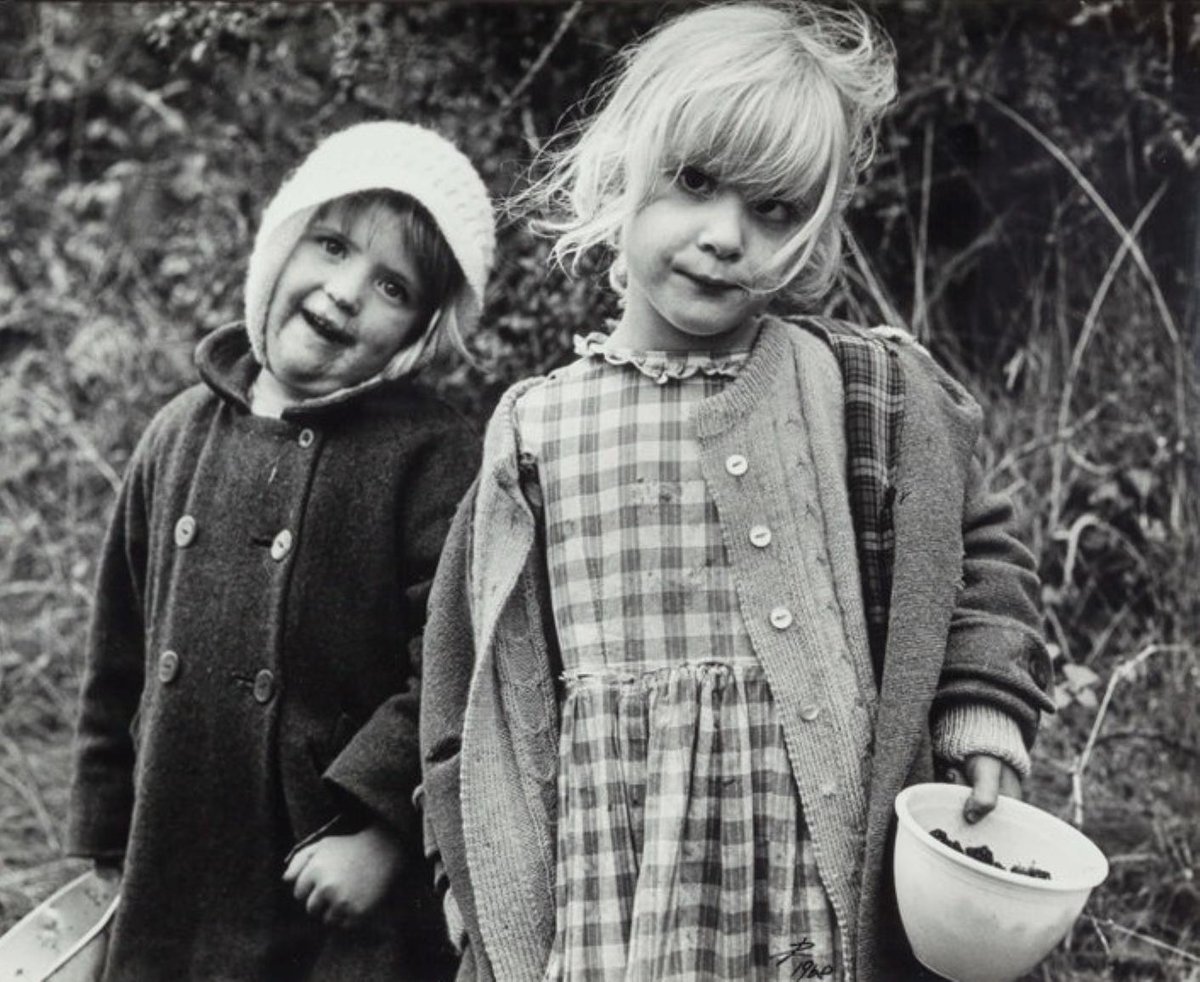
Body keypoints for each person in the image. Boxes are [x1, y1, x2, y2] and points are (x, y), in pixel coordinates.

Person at [419, 3, 1055, 981]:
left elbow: (974, 546)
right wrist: (467, 873)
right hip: (614, 892)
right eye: (697, 183)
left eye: (775, 210)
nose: (725, 236)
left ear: (818, 228)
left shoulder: (856, 391)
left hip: (810, 885)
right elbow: (468, 676)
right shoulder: (531, 431)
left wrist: (982, 717)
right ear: (620, 165)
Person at [67, 120, 495, 980]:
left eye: (391, 286)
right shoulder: (177, 434)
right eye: (331, 245)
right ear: (281, 241)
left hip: (324, 883)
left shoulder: (430, 456)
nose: (343, 292)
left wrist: (384, 831)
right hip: (172, 864)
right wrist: (102, 851)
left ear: (423, 328)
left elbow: (457, 667)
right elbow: (118, 658)